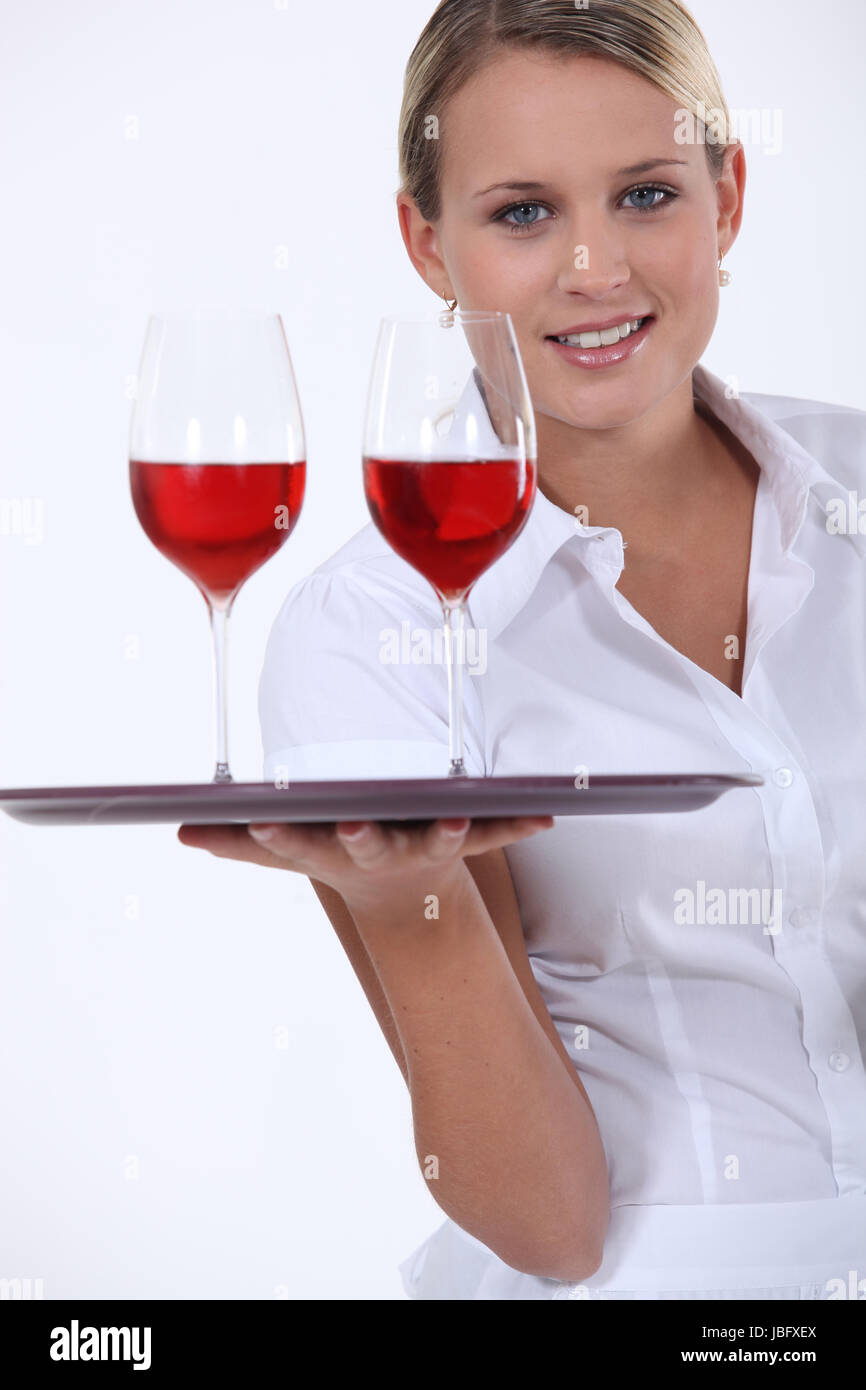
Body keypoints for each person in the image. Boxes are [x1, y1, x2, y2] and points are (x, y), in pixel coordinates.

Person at [178, 0, 866, 1299]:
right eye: (521, 213)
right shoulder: (369, 630)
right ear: (425, 244)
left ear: (726, 198)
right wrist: (396, 898)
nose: (595, 268)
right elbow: (548, 1230)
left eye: (646, 192)